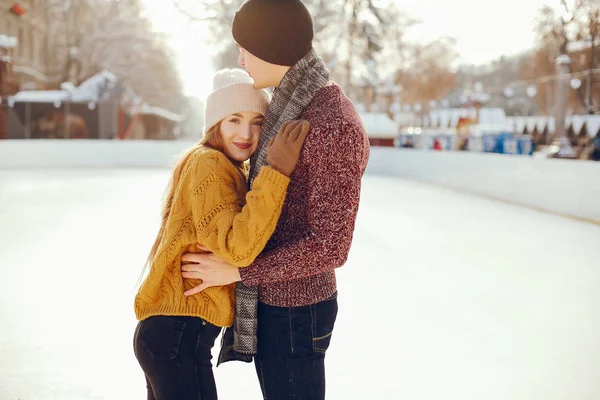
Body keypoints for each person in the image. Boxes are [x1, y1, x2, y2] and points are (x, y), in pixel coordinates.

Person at [179, 1, 371, 399]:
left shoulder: (330, 122)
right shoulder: (293, 108)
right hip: (278, 303)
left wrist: (239, 272)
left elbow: (330, 245)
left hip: (295, 313)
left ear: (270, 46)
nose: (241, 58)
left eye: (245, 47)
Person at [133, 68, 310, 400]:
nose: (246, 132)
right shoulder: (210, 166)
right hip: (177, 335)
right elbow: (238, 248)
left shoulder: (217, 164)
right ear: (215, 123)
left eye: (257, 122)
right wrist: (277, 172)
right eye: (233, 120)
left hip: (169, 335)